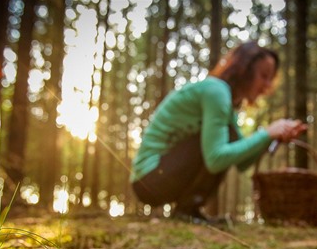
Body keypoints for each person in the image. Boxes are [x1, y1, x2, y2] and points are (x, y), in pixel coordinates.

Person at [130, 41, 307, 223]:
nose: (267, 86)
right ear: (245, 70)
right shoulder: (217, 91)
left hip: (158, 175)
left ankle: (188, 212)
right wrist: (267, 133)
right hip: (149, 178)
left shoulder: (224, 101)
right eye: (263, 76)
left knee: (225, 140)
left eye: (271, 79)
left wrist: (270, 138)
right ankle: (187, 210)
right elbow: (215, 159)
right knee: (219, 144)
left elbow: (243, 163)